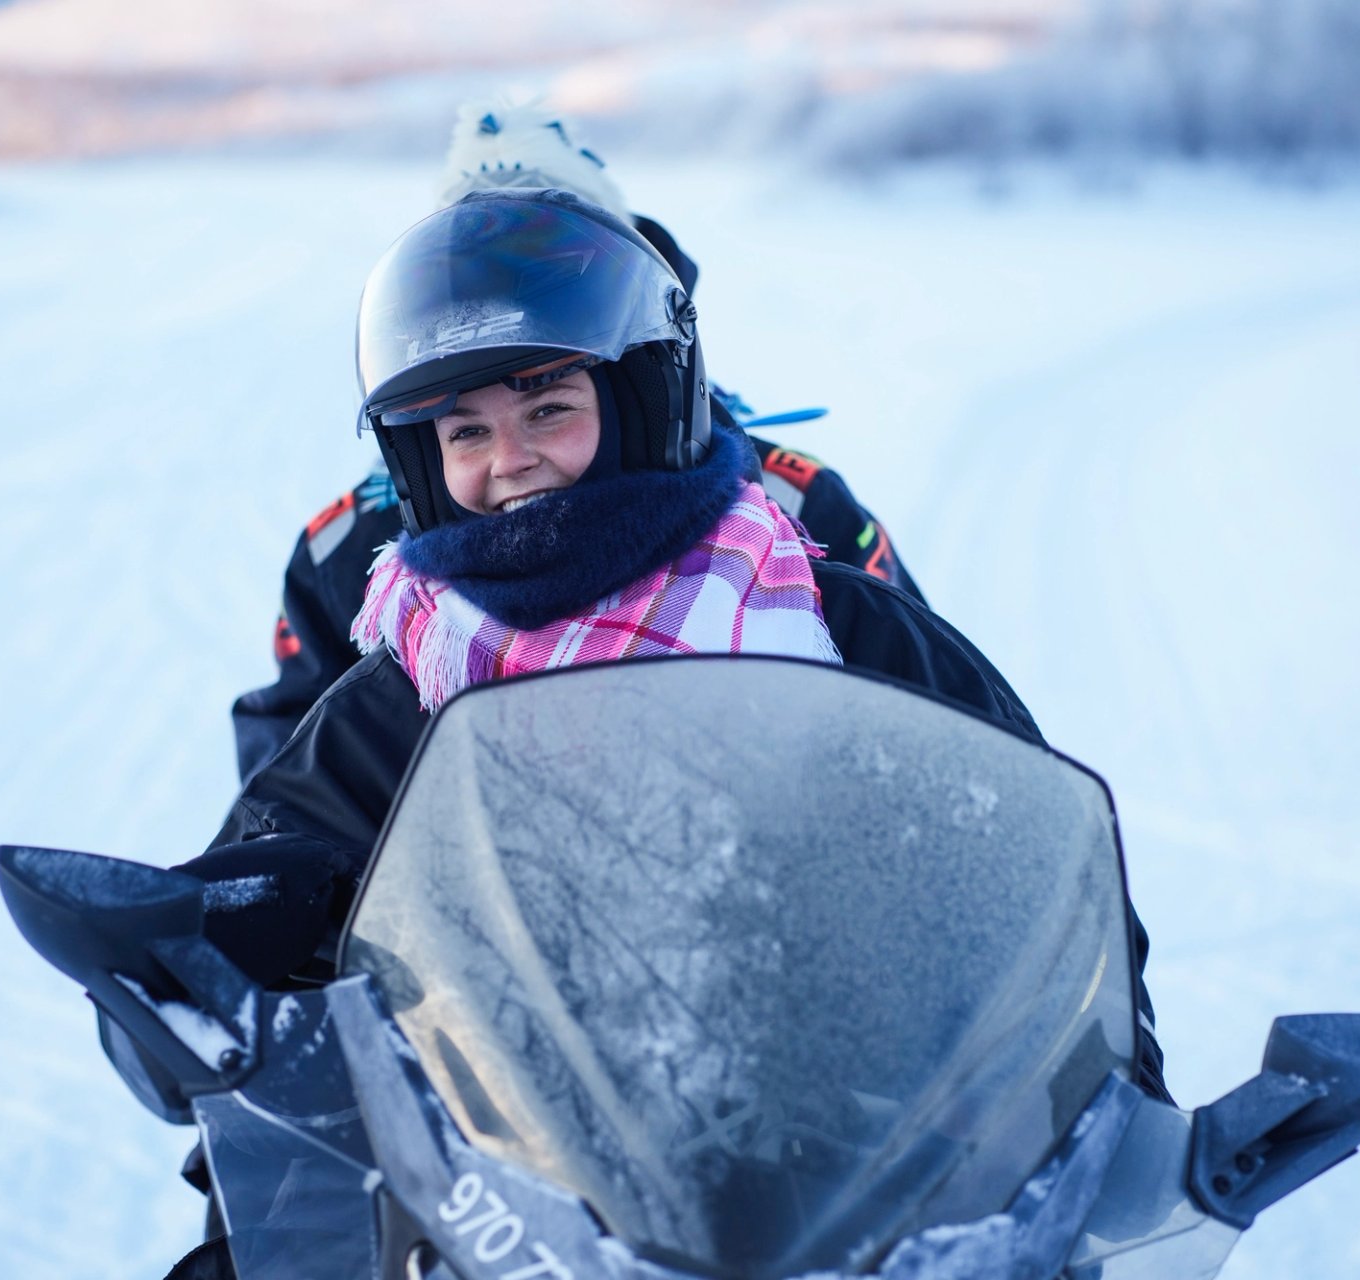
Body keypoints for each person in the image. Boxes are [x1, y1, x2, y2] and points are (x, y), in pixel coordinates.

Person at [180, 188, 1169, 1105]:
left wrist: (1109, 1110)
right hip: (511, 1165)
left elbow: (1040, 883)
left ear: (638, 403)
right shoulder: (402, 693)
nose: (510, 460)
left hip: (852, 1135)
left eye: (548, 409)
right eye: (465, 433)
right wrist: (227, 942)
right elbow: (258, 925)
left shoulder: (838, 628)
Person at [231, 96, 920, 784]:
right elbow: (299, 777)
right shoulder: (358, 552)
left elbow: (928, 729)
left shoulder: (787, 515)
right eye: (477, 280)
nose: (509, 460)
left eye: (557, 274)